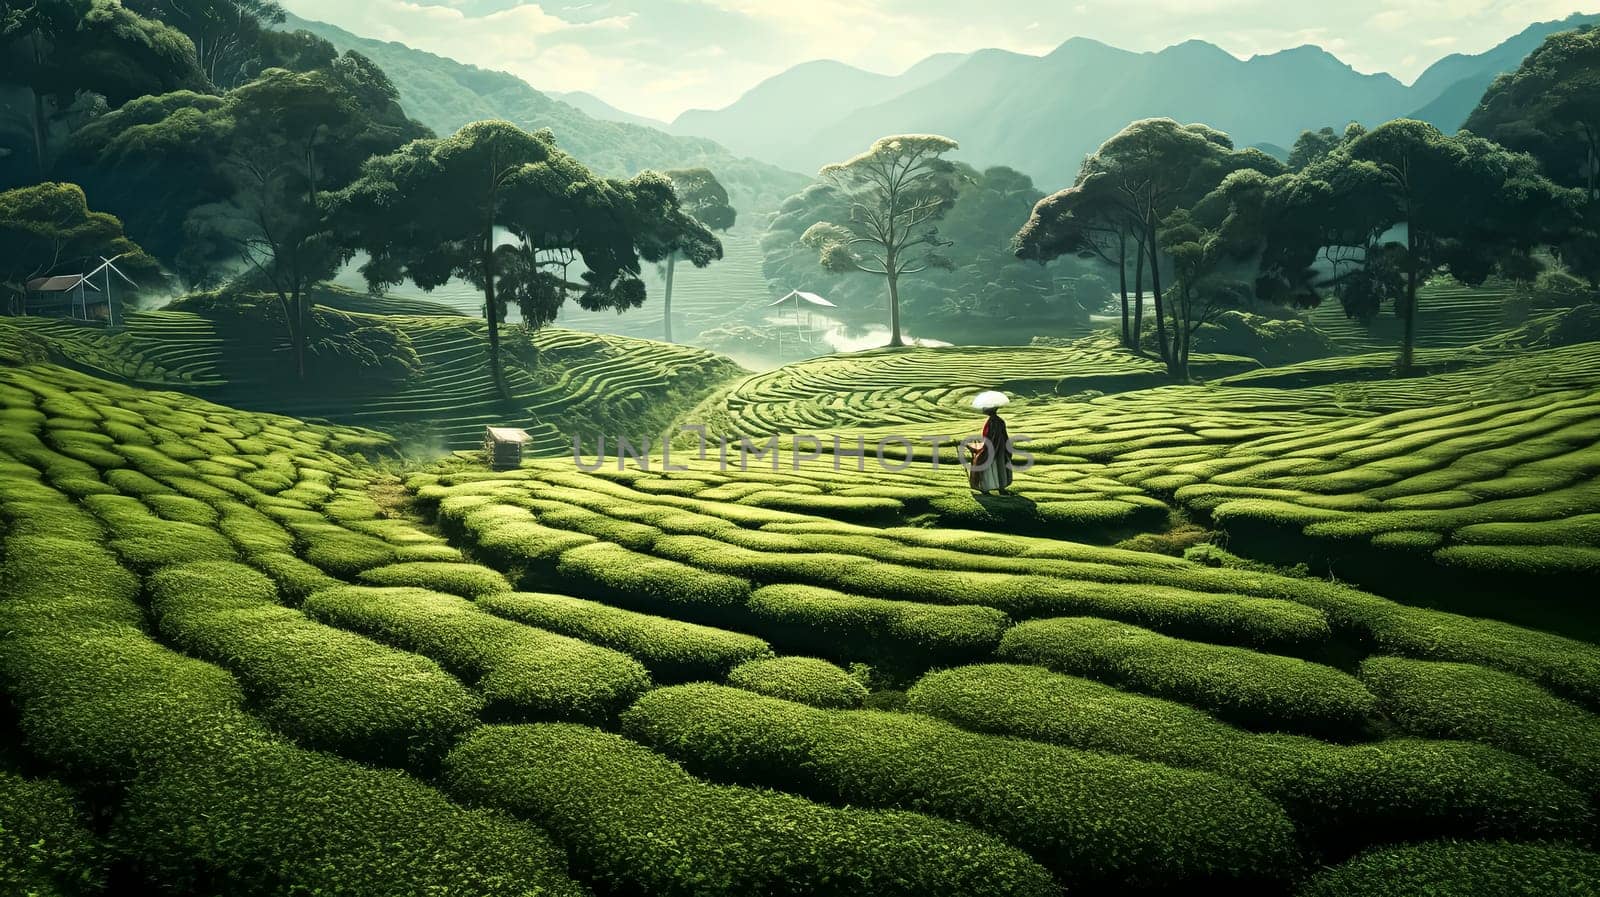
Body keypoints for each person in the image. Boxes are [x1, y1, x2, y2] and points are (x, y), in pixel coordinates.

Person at [966, 391, 1013, 495]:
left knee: (987, 468)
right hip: (1000, 449)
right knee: (1000, 468)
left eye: (985, 408)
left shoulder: (991, 422)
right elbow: (1003, 436)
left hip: (991, 449)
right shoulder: (1000, 421)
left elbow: (988, 438)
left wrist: (980, 448)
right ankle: (1001, 489)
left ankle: (985, 488)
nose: (983, 409)